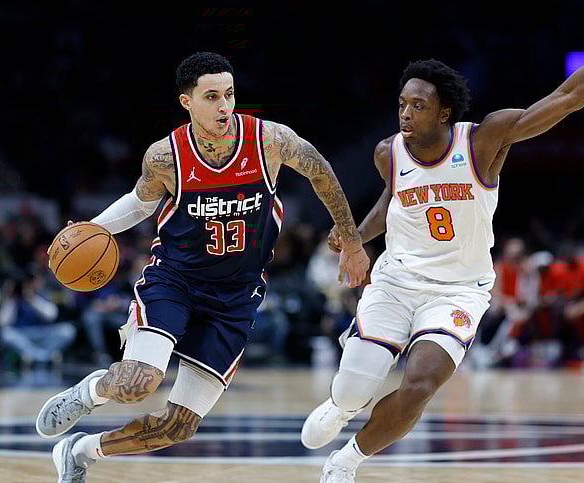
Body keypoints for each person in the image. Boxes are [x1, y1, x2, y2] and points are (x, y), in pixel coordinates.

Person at [300, 2, 584, 481]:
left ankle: (348, 459)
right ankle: (342, 405)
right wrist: (353, 234)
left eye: (418, 106)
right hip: (395, 282)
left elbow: (566, 99)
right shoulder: (387, 153)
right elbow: (393, 205)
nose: (406, 113)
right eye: (402, 103)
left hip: (458, 291)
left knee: (419, 386)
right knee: (356, 387)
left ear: (444, 113)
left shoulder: (483, 140)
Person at [34, 52, 370, 482]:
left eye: (229, 94)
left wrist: (353, 238)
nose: (224, 106)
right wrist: (92, 227)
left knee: (179, 426)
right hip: (175, 282)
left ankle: (80, 451)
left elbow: (320, 172)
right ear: (186, 102)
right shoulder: (165, 157)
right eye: (211, 97)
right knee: (138, 382)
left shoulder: (269, 141)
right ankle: (91, 391)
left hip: (235, 297)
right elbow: (141, 202)